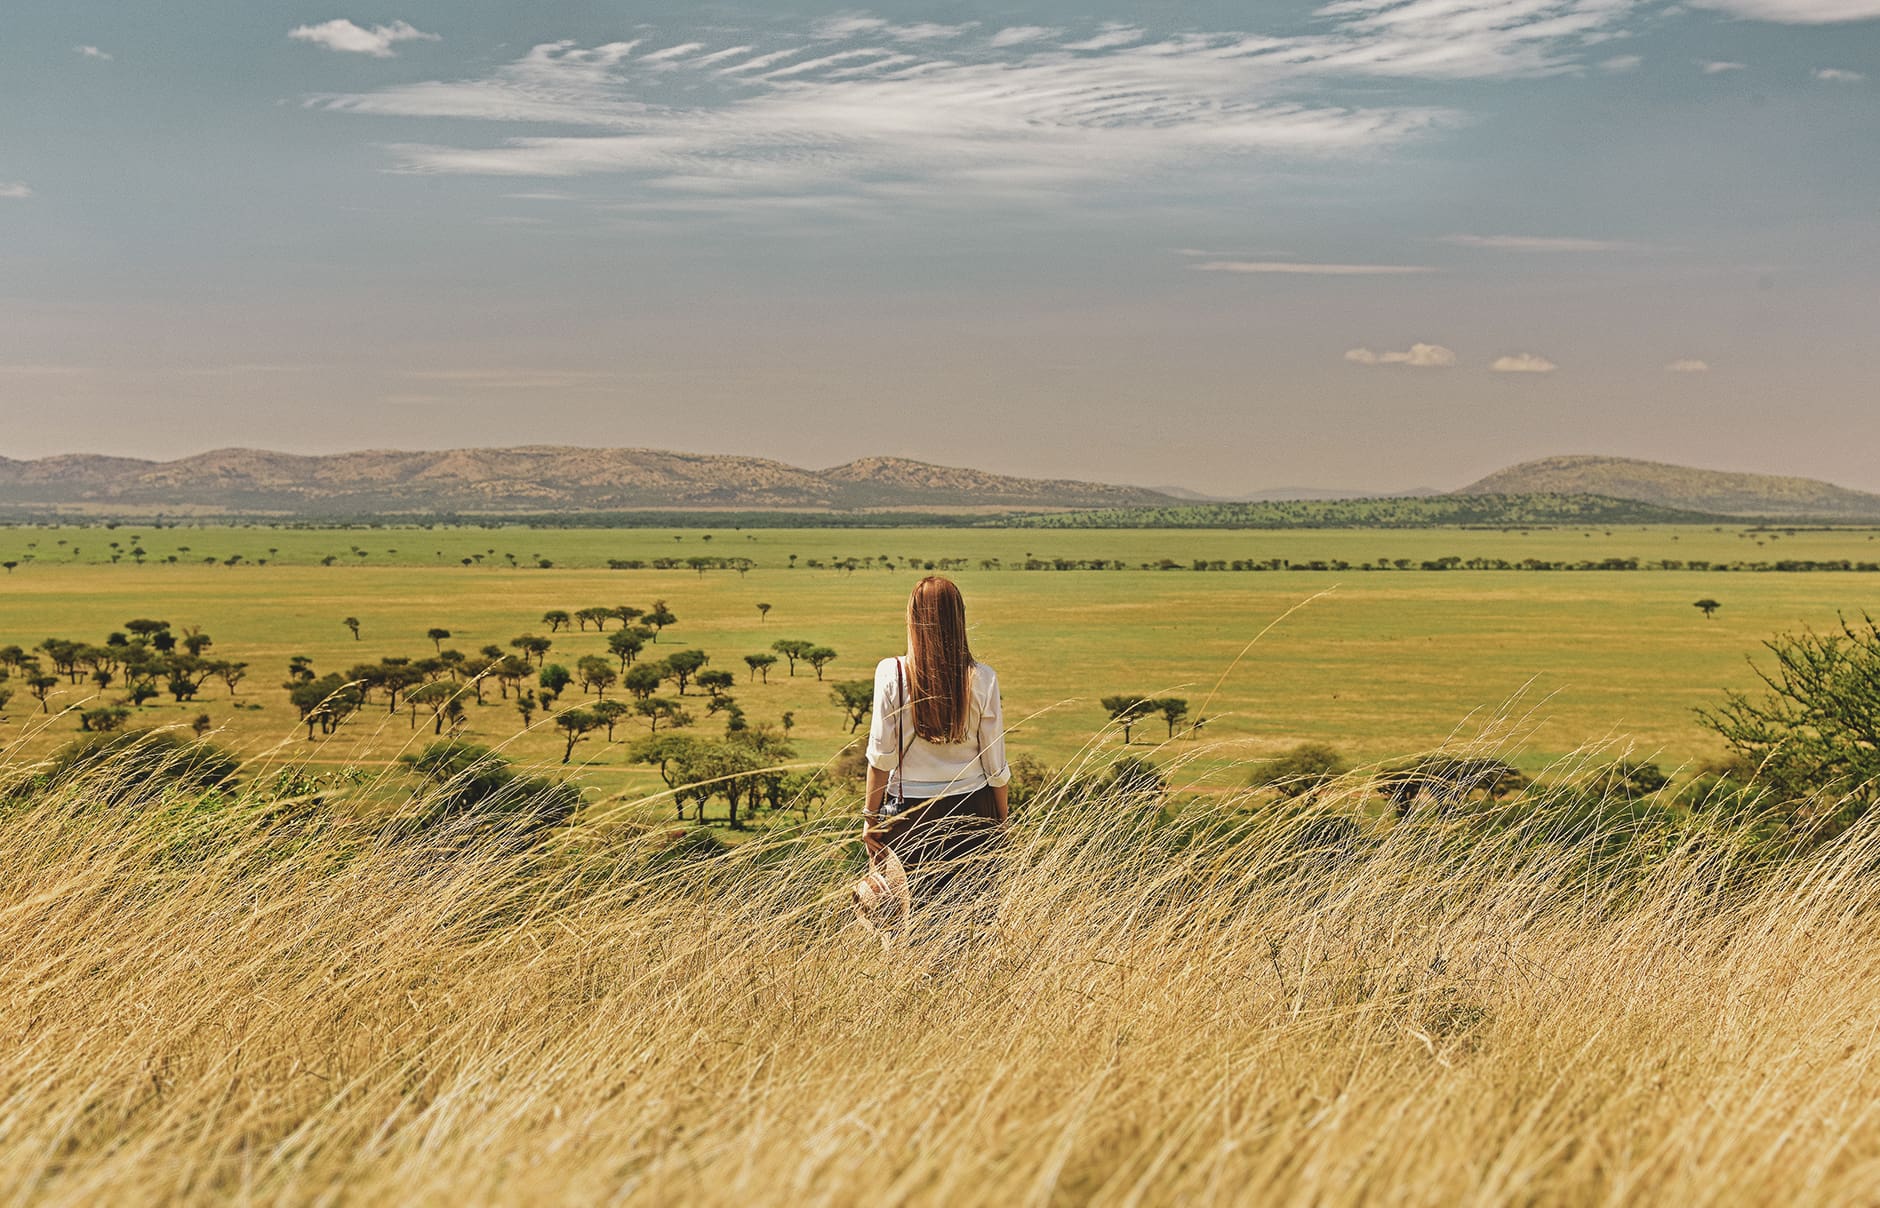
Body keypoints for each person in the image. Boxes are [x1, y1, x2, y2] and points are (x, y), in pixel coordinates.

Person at [861, 576, 1010, 918]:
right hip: (974, 811)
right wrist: (1001, 822)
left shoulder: (891, 673)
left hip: (909, 817)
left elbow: (880, 759)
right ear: (959, 619)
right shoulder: (984, 678)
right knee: (973, 924)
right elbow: (996, 768)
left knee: (910, 925)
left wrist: (870, 820)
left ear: (912, 618)